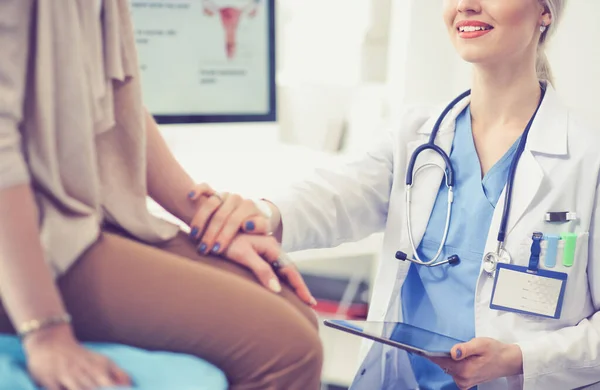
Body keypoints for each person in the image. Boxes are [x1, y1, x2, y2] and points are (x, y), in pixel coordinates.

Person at [257, 0, 600, 389]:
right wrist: (263, 214)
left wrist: (517, 359)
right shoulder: (416, 136)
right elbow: (338, 196)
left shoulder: (588, 160)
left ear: (545, 12)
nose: (465, 5)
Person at [0, 1, 321, 389]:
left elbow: (116, 96)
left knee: (293, 309)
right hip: (25, 234)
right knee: (287, 348)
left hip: (75, 215)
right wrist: (45, 333)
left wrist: (210, 218)